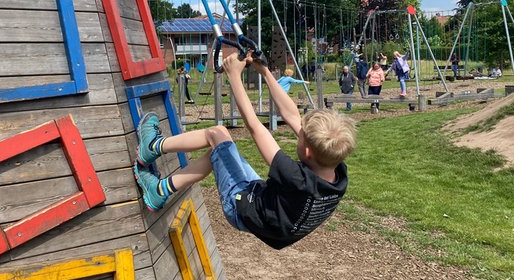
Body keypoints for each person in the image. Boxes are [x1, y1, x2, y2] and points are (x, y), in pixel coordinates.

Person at [132, 53, 357, 249]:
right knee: (219, 154)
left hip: (240, 207)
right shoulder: (336, 172)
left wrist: (233, 76)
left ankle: (151, 147)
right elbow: (292, 116)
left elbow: (254, 126)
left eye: (301, 135)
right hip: (269, 214)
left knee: (217, 134)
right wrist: (264, 71)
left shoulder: (295, 178)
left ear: (307, 152)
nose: (298, 129)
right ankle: (160, 191)